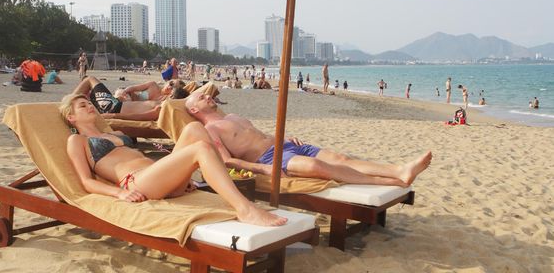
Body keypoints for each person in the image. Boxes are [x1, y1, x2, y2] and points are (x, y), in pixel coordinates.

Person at [60, 93, 286, 226]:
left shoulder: (115, 133)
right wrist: (119, 193)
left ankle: (204, 175)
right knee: (200, 148)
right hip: (137, 182)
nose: (90, 106)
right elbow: (86, 181)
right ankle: (244, 209)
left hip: (158, 177)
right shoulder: (77, 141)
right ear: (71, 117)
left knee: (195, 128)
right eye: (82, 105)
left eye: (89, 103)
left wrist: (179, 174)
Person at [184, 90, 432, 186]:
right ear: (194, 109)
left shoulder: (233, 115)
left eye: (206, 94)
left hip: (285, 144)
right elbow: (226, 161)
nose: (208, 96)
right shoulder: (210, 131)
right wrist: (263, 168)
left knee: (340, 158)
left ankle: (398, 170)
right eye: (201, 97)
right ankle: (392, 180)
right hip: (269, 159)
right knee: (318, 167)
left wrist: (284, 136)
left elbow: (258, 135)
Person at [72, 76, 185, 121]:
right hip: (115, 104)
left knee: (90, 79)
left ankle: (68, 103)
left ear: (172, 97)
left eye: (172, 92)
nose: (169, 90)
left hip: (112, 107)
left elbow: (139, 117)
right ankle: (72, 103)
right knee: (90, 85)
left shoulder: (161, 107)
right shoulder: (160, 102)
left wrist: (113, 116)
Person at [117, 80, 186, 102]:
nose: (169, 87)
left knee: (124, 102)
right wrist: (125, 91)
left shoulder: (165, 99)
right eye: (171, 84)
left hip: (133, 107)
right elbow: (134, 88)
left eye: (173, 88)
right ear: (168, 81)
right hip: (130, 96)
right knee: (120, 93)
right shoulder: (153, 85)